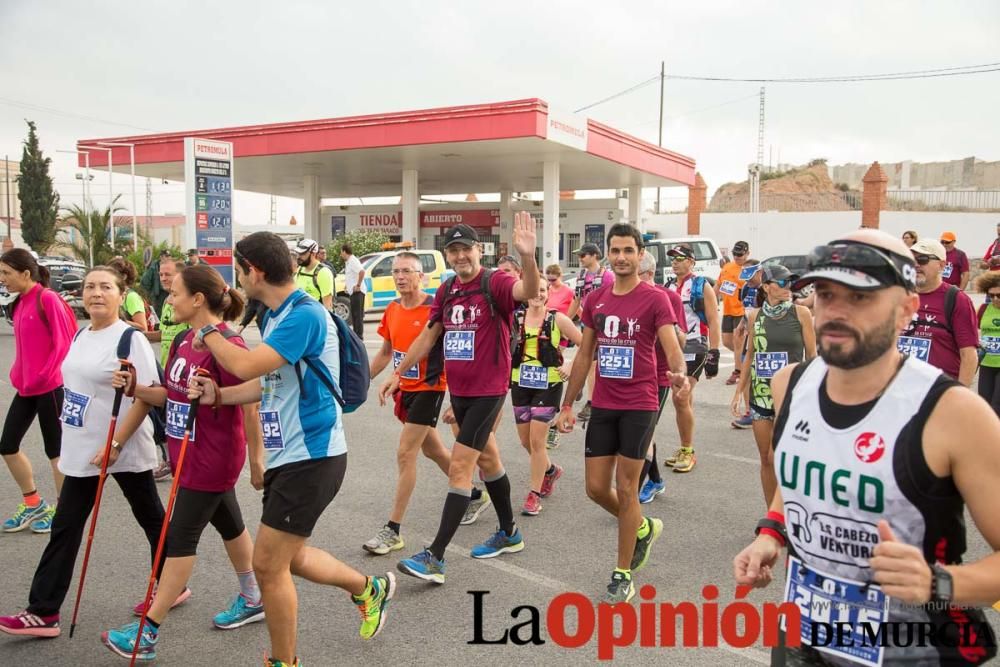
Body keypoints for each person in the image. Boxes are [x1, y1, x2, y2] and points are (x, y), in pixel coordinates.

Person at [733, 229, 1000, 665]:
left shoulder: (954, 413)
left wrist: (939, 584)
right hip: (804, 636)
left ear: (906, 309)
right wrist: (771, 533)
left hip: (911, 652)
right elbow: (800, 475)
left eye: (860, 297)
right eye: (825, 293)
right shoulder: (791, 385)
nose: (835, 312)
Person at [187, 232, 394, 666]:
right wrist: (219, 396)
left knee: (267, 566)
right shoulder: (277, 316)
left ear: (254, 271)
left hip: (313, 457)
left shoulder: (304, 315)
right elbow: (267, 381)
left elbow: (242, 363)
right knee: (291, 557)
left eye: (239, 269)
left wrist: (207, 327)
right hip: (290, 455)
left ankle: (283, 662)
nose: (237, 279)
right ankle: (368, 589)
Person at [0, 266, 181, 639]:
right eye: (89, 287)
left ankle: (170, 584)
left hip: (121, 447)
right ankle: (44, 612)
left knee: (151, 518)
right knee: (66, 526)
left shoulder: (131, 339)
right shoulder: (82, 335)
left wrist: (114, 444)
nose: (96, 293)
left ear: (121, 293)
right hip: (83, 448)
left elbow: (149, 395)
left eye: (105, 287)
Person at [101, 265, 265, 660]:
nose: (167, 300)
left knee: (179, 540)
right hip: (185, 454)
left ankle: (149, 631)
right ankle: (253, 595)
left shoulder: (229, 345)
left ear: (197, 299)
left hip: (211, 458)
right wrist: (137, 388)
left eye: (173, 293)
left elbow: (250, 404)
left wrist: (257, 461)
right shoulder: (184, 340)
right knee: (230, 523)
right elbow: (170, 396)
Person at [383, 215, 540, 584]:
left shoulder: (495, 282)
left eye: (465, 249)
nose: (459, 256)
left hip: (488, 392)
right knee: (489, 460)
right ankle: (509, 533)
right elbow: (429, 335)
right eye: (452, 251)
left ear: (478, 250)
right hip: (462, 393)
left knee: (460, 468)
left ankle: (435, 556)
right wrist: (399, 371)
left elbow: (527, 291)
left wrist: (528, 257)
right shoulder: (448, 290)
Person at [555, 223, 689, 603]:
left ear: (640, 254)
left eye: (628, 250)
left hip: (641, 403)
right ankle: (642, 528)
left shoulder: (655, 298)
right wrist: (568, 403)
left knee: (628, 488)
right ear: (608, 255)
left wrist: (678, 373)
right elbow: (584, 354)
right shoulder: (597, 298)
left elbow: (670, 345)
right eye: (615, 251)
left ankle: (622, 571)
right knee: (596, 489)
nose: (621, 257)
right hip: (605, 404)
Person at [364, 252, 452, 555]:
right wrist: (360, 381)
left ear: (422, 276)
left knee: (406, 453)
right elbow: (387, 353)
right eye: (396, 271)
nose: (401, 277)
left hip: (430, 387)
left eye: (407, 271)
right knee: (434, 450)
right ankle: (474, 491)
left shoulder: (434, 310)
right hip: (406, 390)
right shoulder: (391, 309)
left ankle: (393, 530)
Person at [0, 249, 77, 533]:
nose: (2, 279)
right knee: (7, 445)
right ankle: (34, 503)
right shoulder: (19, 303)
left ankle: (63, 513)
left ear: (25, 273)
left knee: (56, 453)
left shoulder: (48, 299)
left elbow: (65, 342)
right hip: (27, 387)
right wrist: (18, 373)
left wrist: (46, 374)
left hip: (51, 386)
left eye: (7, 273)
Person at [730, 264, 815, 508]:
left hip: (790, 395)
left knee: (777, 457)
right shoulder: (755, 315)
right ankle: (773, 520)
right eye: (782, 282)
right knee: (765, 460)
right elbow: (751, 355)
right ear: (766, 287)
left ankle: (790, 511)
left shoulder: (801, 313)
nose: (788, 287)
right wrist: (739, 392)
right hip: (761, 395)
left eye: (790, 282)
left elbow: (812, 356)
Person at [509, 276, 581, 515]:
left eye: (542, 290)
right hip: (520, 383)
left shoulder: (557, 319)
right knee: (525, 442)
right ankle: (550, 470)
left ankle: (534, 494)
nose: (537, 294)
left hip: (548, 385)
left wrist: (569, 366)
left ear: (548, 293)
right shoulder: (515, 318)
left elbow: (587, 345)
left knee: (538, 442)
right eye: (533, 289)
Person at [664, 244, 722, 473]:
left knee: (681, 397)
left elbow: (713, 319)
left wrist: (714, 352)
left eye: (680, 258)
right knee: (681, 400)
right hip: (674, 346)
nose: (675, 262)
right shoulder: (668, 286)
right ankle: (684, 447)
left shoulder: (701, 285)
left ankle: (688, 450)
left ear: (691, 261)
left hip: (696, 345)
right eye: (673, 258)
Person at [635, 252, 685, 505]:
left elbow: (681, 338)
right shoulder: (626, 295)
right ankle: (655, 480)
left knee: (645, 432)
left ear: (648, 273)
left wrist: (670, 330)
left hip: (659, 373)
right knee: (643, 432)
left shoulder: (669, 298)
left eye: (635, 275)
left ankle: (635, 491)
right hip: (632, 374)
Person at [901, 238, 979, 386]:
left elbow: (969, 355)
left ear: (941, 265)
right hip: (901, 392)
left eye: (923, 259)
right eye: (911, 259)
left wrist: (960, 396)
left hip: (938, 394)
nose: (916, 265)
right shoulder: (899, 295)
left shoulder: (957, 299)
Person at [142, 258, 188, 482]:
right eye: (161, 275)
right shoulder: (167, 303)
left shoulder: (185, 302)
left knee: (173, 418)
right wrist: (138, 336)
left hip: (184, 373)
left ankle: (179, 461)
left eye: (168, 274)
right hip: (166, 369)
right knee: (164, 416)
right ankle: (172, 459)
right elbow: (163, 333)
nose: (163, 278)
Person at [567, 242, 615, 422]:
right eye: (579, 255)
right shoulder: (581, 277)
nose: (580, 259)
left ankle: (591, 401)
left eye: (583, 255)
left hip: (602, 326)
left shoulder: (607, 277)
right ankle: (583, 390)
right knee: (586, 360)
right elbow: (576, 301)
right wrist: (563, 321)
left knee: (593, 364)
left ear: (595, 255)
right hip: (586, 326)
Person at [718, 240, 751, 385]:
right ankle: (746, 356)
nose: (737, 257)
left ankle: (738, 371)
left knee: (738, 342)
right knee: (726, 342)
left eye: (740, 254)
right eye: (735, 254)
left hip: (741, 311)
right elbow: (718, 285)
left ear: (747, 253)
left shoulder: (749, 269)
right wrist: (711, 300)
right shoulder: (727, 267)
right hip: (728, 310)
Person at [975, 271, 1000, 416]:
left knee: (997, 405)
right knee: (984, 403)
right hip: (986, 363)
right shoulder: (983, 309)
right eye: (991, 295)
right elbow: (973, 332)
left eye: (999, 295)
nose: (995, 299)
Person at [110, 258, 151, 331]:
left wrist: (118, 321)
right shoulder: (115, 294)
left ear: (124, 277)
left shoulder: (131, 297)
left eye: (112, 274)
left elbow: (143, 327)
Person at [293, 238, 334, 310]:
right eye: (298, 253)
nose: (299, 257)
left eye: (302, 253)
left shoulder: (323, 272)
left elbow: (328, 306)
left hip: (315, 318)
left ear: (313, 253)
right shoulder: (300, 269)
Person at [341, 243, 367, 339]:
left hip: (358, 292)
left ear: (344, 251)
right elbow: (351, 276)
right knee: (355, 315)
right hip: (353, 292)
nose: (341, 254)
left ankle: (359, 336)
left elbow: (362, 272)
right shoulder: (349, 261)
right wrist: (347, 286)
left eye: (341, 252)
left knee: (358, 315)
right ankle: (357, 335)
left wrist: (358, 285)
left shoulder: (352, 261)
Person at [140, 249, 172, 316]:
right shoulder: (153, 267)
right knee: (158, 315)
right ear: (161, 257)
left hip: (168, 293)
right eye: (166, 256)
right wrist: (150, 293)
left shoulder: (171, 266)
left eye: (169, 256)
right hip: (157, 296)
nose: (168, 258)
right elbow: (145, 282)